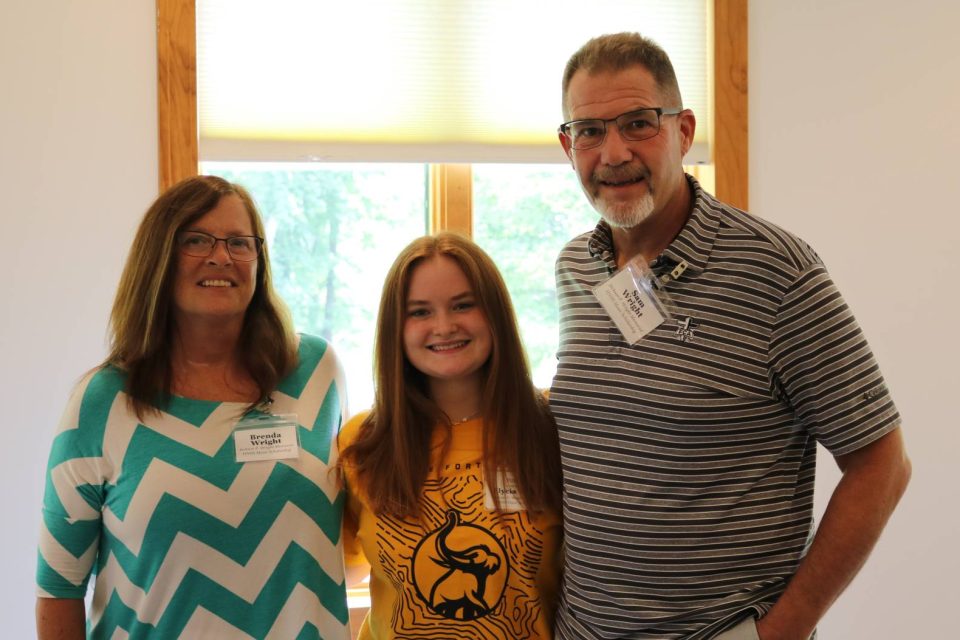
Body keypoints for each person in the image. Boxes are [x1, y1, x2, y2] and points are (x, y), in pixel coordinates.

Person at [549, 32, 911, 640]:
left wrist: (785, 629)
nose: (612, 153)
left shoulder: (778, 273)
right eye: (588, 130)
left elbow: (883, 465)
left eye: (638, 123)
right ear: (568, 144)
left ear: (683, 132)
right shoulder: (575, 268)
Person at [35, 176, 351, 639]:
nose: (220, 256)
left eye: (239, 242)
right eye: (196, 240)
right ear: (158, 258)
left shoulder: (317, 372)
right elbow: (59, 588)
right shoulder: (101, 402)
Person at [339, 232, 563, 639]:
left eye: (463, 305)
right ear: (396, 327)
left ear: (495, 314)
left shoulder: (551, 429)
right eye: (420, 312)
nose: (444, 326)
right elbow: (341, 566)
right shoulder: (363, 441)